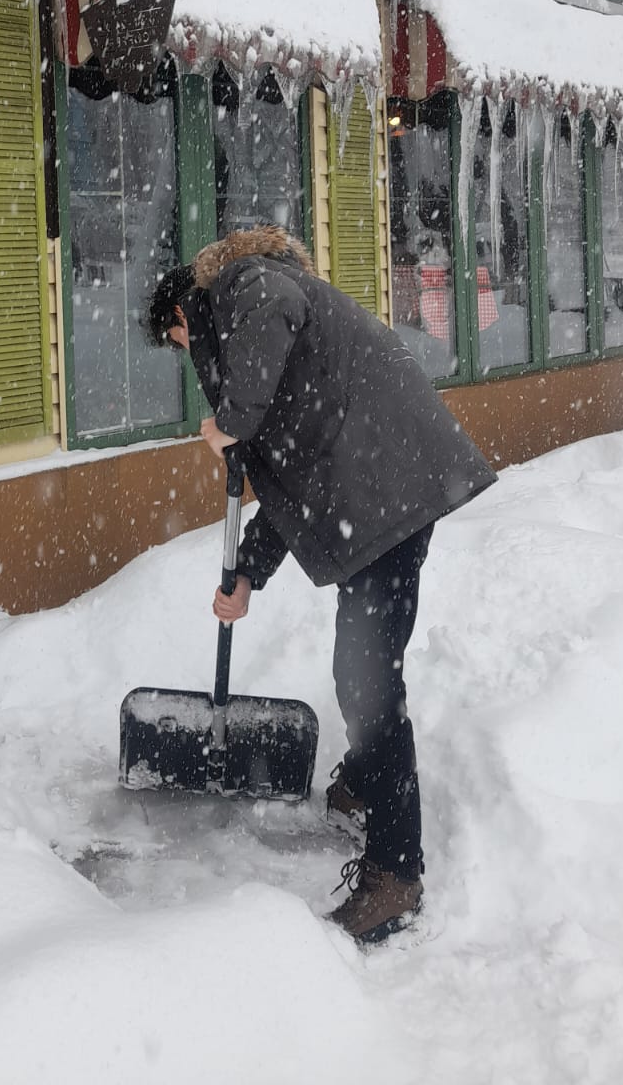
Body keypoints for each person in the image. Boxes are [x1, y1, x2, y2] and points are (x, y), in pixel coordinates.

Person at [148, 224, 496, 945]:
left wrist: (232, 421)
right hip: (380, 488)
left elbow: (271, 309)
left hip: (389, 487)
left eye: (181, 344)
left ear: (185, 315)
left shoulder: (247, 283)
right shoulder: (271, 354)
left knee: (368, 681)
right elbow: (292, 488)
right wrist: (247, 574)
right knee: (365, 672)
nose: (191, 359)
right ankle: (369, 784)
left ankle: (395, 875)